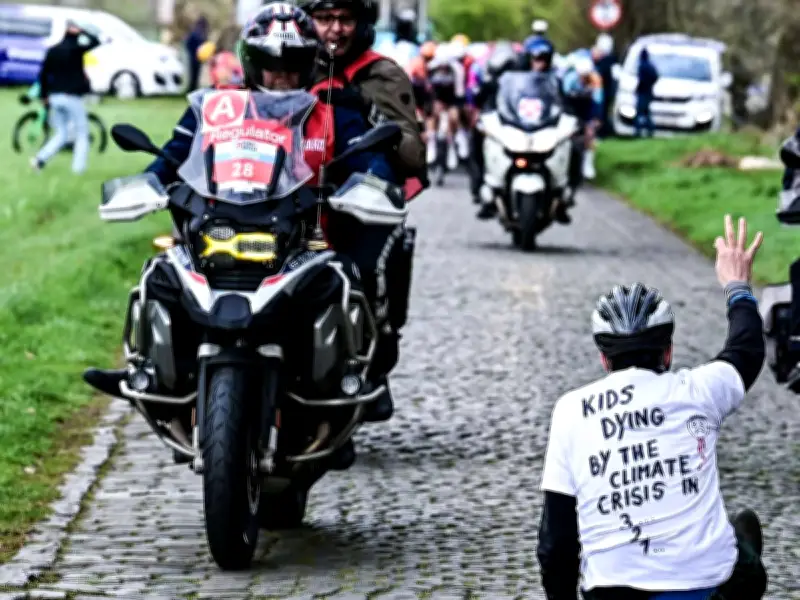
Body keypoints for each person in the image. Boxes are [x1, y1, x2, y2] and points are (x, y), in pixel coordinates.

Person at [83, 2, 400, 469]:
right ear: (253, 62)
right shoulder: (217, 105)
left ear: (309, 61)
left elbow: (368, 157)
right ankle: (150, 370)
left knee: (345, 278)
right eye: (271, 65)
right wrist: (149, 180)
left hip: (301, 238)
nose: (281, 76)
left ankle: (343, 385)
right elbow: (173, 153)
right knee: (161, 272)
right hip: (220, 229)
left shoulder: (335, 107)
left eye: (292, 65)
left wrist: (371, 181)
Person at [536, 214, 768, 600]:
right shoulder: (700, 390)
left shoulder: (569, 411)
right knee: (744, 530)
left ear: (603, 358)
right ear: (669, 350)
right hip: (705, 588)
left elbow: (556, 540)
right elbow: (746, 347)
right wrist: (736, 285)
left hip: (611, 593)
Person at [299, 0, 426, 423]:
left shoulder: (382, 73)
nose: (335, 30)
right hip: (291, 194)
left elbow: (413, 155)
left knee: (365, 272)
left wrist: (367, 111)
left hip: (360, 199)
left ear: (361, 24)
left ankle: (370, 362)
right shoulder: (284, 64)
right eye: (325, 19)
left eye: (345, 19)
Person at [30, 19, 101, 174]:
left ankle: (40, 159)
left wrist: (44, 96)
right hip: (72, 97)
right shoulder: (77, 49)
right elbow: (96, 41)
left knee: (61, 133)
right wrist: (83, 30)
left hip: (54, 97)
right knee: (82, 133)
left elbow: (42, 75)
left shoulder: (53, 50)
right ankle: (78, 169)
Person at [474, 41, 525, 218]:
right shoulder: (490, 84)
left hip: (522, 127)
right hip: (498, 127)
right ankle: (483, 189)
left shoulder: (526, 84)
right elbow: (478, 100)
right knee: (478, 145)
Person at [561, 55, 603, 182]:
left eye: (586, 75)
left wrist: (596, 119)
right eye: (582, 75)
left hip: (587, 110)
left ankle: (587, 165)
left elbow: (598, 100)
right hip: (571, 110)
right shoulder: (570, 79)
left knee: (590, 135)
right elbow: (564, 98)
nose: (584, 78)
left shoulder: (595, 79)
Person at [592, 34, 618, 138]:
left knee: (601, 112)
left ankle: (602, 132)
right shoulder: (612, 61)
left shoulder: (604, 62)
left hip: (604, 90)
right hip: (606, 90)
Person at [635, 47, 659, 138]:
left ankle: (638, 131)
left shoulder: (642, 66)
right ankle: (650, 129)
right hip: (648, 91)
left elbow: (641, 79)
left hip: (643, 92)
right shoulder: (650, 66)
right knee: (646, 112)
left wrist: (641, 86)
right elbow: (656, 77)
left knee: (640, 112)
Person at [185, 16, 209, 92]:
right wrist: (193, 53)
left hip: (198, 58)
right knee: (193, 75)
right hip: (194, 57)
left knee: (196, 75)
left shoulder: (202, 34)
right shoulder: (195, 33)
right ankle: (191, 88)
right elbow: (188, 44)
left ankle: (193, 88)